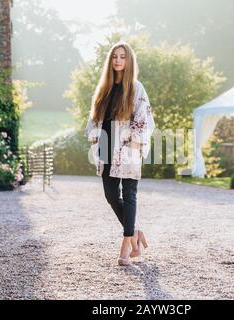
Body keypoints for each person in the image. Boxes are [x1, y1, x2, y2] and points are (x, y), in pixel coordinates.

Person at [84, 41, 155, 266]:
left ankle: (126, 246)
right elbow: (94, 118)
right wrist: (95, 135)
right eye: (115, 56)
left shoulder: (136, 88)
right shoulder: (103, 88)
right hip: (106, 145)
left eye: (122, 57)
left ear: (129, 60)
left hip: (128, 147)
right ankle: (135, 232)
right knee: (111, 195)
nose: (118, 60)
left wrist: (128, 141)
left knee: (130, 192)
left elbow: (142, 120)